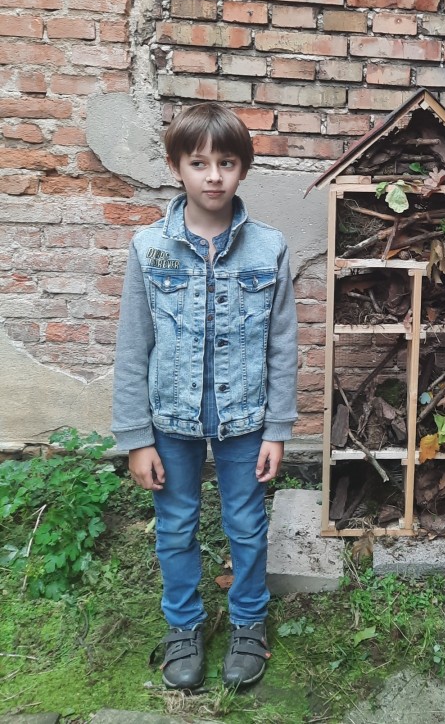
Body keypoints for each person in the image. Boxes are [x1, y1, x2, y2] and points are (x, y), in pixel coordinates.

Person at [112, 103, 298, 690]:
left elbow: (283, 346)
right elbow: (133, 346)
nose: (213, 176)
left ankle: (248, 621)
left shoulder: (269, 248)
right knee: (175, 526)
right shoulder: (149, 248)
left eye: (227, 163)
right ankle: (184, 625)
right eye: (199, 163)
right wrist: (136, 438)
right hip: (170, 420)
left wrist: (277, 429)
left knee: (246, 523)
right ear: (176, 167)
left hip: (246, 419)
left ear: (243, 169)